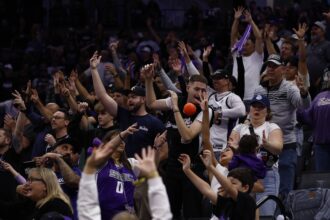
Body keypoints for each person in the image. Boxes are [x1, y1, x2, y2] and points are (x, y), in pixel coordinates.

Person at [145, 65, 212, 219]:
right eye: (196, 89)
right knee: (170, 213)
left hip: (193, 167)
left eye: (203, 90)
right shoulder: (177, 100)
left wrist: (175, 109)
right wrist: (148, 80)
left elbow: (188, 136)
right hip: (173, 166)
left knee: (191, 214)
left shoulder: (207, 110)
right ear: (188, 87)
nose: (200, 93)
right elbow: (151, 104)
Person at [254, 54, 310, 200]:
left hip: (286, 144)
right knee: (265, 188)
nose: (270, 69)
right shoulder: (260, 90)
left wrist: (304, 92)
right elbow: (252, 115)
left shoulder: (289, 88)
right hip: (264, 145)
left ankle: (284, 216)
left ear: (283, 70)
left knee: (285, 189)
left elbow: (304, 105)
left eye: (274, 66)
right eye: (269, 66)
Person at [89, 51, 166, 157]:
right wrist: (94, 70)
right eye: (129, 97)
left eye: (134, 97)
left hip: (142, 170)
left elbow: (164, 152)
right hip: (122, 168)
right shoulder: (123, 114)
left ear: (143, 99)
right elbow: (102, 95)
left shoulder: (155, 122)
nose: (129, 100)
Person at [78, 138, 172, 220]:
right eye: (118, 139)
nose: (121, 142)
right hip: (104, 215)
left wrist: (156, 147)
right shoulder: (103, 163)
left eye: (123, 140)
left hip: (128, 215)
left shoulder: (130, 163)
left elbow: (151, 167)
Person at [229, 94, 283, 216]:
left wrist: (266, 144)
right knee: (242, 215)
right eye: (254, 106)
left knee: (265, 214)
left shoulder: (272, 127)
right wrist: (237, 150)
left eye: (261, 107)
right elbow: (231, 145)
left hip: (266, 174)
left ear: (267, 111)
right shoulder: (239, 128)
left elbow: (278, 148)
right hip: (242, 175)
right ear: (250, 109)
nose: (257, 109)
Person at [179, 150, 256, 220]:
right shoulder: (227, 202)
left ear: (245, 188)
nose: (226, 185)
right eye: (227, 181)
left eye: (233, 183)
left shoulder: (247, 201)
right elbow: (207, 190)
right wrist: (187, 170)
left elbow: (229, 188)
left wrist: (210, 167)